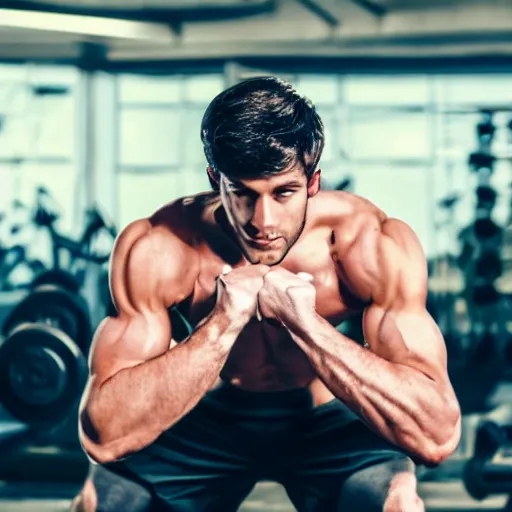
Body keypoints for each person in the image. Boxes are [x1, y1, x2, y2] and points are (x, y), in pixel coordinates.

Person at [73, 76, 461, 512]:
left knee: (398, 505)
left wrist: (305, 324)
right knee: (99, 502)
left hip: (325, 419)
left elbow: (438, 434)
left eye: (285, 192)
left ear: (313, 182)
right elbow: (103, 435)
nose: (263, 220)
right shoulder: (161, 247)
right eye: (242, 193)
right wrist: (222, 323)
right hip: (206, 416)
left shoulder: (366, 244)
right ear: (215, 178)